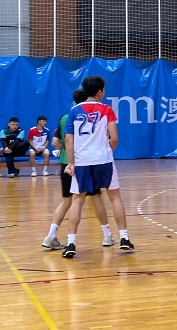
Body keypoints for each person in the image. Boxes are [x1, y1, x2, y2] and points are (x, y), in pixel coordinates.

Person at [61, 76, 133, 258]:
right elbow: (114, 138)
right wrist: (107, 152)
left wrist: (71, 163)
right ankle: (124, 238)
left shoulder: (74, 111)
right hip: (104, 160)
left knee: (77, 200)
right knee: (114, 198)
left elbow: (68, 139)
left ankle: (71, 243)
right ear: (100, 91)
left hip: (82, 161)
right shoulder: (106, 109)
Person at [42, 89, 118, 251]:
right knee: (96, 197)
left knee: (67, 201)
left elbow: (55, 142)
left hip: (66, 164)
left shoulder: (65, 117)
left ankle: (51, 235)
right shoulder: (90, 116)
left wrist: (66, 152)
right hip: (84, 163)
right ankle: (107, 235)